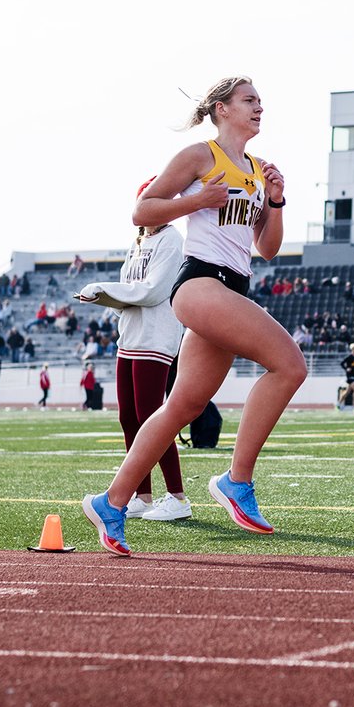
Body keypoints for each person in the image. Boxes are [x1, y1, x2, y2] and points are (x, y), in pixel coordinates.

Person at [82, 76, 306, 555]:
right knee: (290, 366)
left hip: (232, 285)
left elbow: (267, 248)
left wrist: (277, 200)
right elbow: (143, 211)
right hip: (201, 283)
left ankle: (111, 502)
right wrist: (198, 200)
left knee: (181, 406)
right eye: (250, 100)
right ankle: (236, 480)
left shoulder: (256, 169)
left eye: (261, 102)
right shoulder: (199, 156)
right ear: (222, 108)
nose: (259, 108)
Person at [78, 194, 191, 522]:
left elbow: (153, 290)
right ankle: (142, 495)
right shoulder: (140, 240)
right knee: (128, 416)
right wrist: (105, 298)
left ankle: (177, 496)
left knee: (153, 417)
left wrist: (106, 289)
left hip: (156, 337)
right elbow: (130, 288)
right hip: (129, 336)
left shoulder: (172, 239)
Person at [340, 342, 354, 407]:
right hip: (349, 376)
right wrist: (346, 368)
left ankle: (338, 404)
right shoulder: (349, 357)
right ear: (352, 349)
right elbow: (341, 363)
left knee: (347, 392)